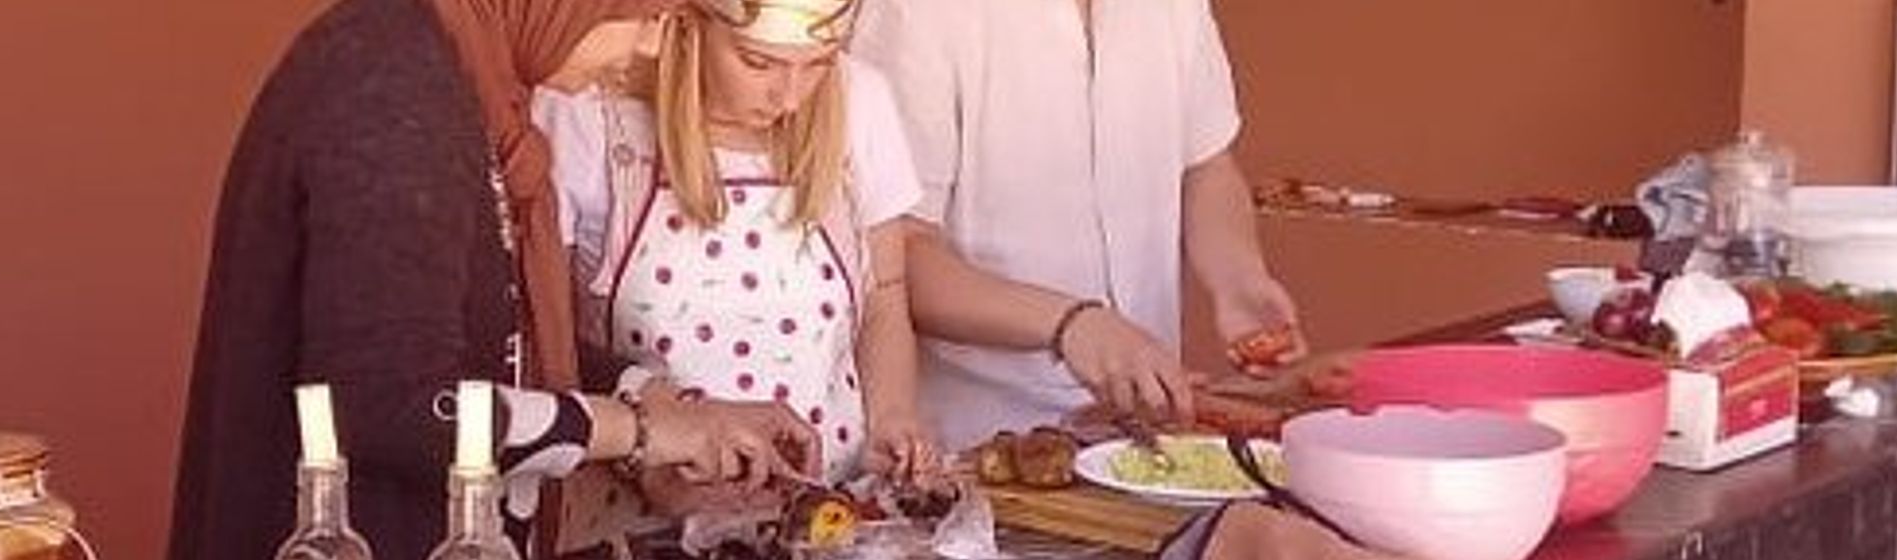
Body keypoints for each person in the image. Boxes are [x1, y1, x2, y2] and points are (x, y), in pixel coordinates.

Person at [168, 1, 822, 558]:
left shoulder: (462, 78)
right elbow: (393, 402)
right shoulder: (393, 85)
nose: (651, 47)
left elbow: (493, 336)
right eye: (644, 14)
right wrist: (636, 431)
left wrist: (670, 407)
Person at [523, 0, 939, 548]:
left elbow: (884, 291)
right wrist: (645, 448)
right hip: (636, 529)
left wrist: (891, 416)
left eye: (818, 63)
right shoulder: (585, 110)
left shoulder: (859, 100)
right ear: (687, 24)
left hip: (828, 517)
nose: (790, 98)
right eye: (757, 62)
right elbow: (543, 335)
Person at [850, 0, 1308, 447]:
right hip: (982, 441)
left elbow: (1206, 165)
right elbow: (896, 254)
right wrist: (1070, 324)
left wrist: (1237, 279)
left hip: (1150, 425)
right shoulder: (918, 11)